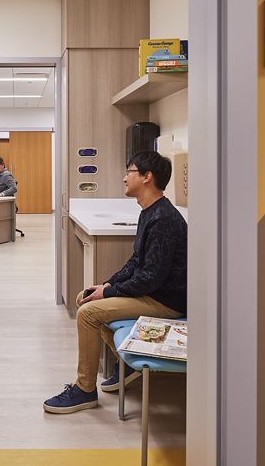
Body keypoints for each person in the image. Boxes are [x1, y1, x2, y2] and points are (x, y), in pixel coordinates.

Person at [43, 150, 187, 414]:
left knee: (87, 313)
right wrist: (106, 286)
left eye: (129, 172)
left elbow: (151, 279)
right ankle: (126, 364)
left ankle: (84, 389)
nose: (124, 178)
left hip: (166, 300)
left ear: (146, 177)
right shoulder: (149, 212)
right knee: (84, 297)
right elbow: (136, 262)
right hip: (154, 293)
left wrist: (109, 294)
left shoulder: (164, 219)